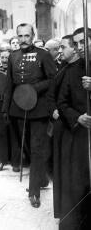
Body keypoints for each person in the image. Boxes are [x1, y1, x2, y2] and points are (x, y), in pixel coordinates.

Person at [2, 23, 56, 208]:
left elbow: (52, 79)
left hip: (39, 109)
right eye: (20, 36)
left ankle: (34, 192)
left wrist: (35, 88)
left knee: (36, 148)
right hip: (18, 108)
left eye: (26, 36)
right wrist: (5, 109)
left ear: (33, 36)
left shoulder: (44, 54)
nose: (23, 39)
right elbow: (9, 83)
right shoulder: (13, 56)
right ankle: (41, 178)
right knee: (25, 146)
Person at [57, 27, 91, 230]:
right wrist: (77, 117)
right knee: (79, 182)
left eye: (84, 41)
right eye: (77, 43)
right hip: (80, 135)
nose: (80, 47)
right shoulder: (73, 70)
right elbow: (62, 103)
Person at [47, 35, 80, 220]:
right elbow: (51, 95)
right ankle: (63, 211)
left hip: (73, 128)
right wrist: (53, 111)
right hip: (60, 125)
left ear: (74, 49)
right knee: (60, 169)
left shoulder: (82, 69)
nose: (60, 50)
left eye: (63, 47)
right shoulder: (61, 69)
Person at [0, 43, 20, 172]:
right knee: (0, 133)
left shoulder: (17, 71)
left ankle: (16, 163)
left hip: (13, 107)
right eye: (2, 57)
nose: (4, 60)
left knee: (14, 134)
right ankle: (2, 161)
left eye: (7, 57)